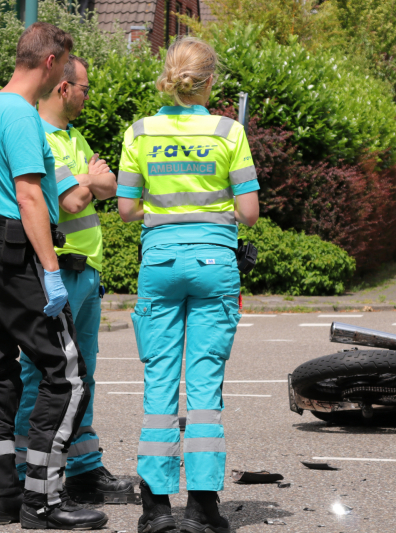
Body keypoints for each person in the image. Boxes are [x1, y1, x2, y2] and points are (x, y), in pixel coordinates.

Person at [116, 36, 259, 533]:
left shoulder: (139, 132)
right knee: (204, 386)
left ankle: (155, 509)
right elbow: (249, 213)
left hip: (159, 263)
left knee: (159, 383)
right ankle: (202, 507)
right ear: (209, 81)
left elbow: (127, 208)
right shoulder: (228, 131)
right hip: (214, 264)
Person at [0, 22, 108, 530]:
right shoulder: (23, 116)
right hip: (18, 252)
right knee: (67, 377)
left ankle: (0, 496)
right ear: (51, 62)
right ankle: (43, 502)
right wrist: (51, 271)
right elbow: (30, 196)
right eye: (65, 66)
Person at [14, 54, 132, 503]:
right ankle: (29, 468)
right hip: (58, 271)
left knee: (85, 375)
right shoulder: (40, 138)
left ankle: (83, 468)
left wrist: (88, 181)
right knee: (44, 375)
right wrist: (89, 180)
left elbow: (110, 186)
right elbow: (73, 203)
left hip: (87, 273)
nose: (87, 96)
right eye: (84, 88)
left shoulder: (75, 137)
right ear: (63, 88)